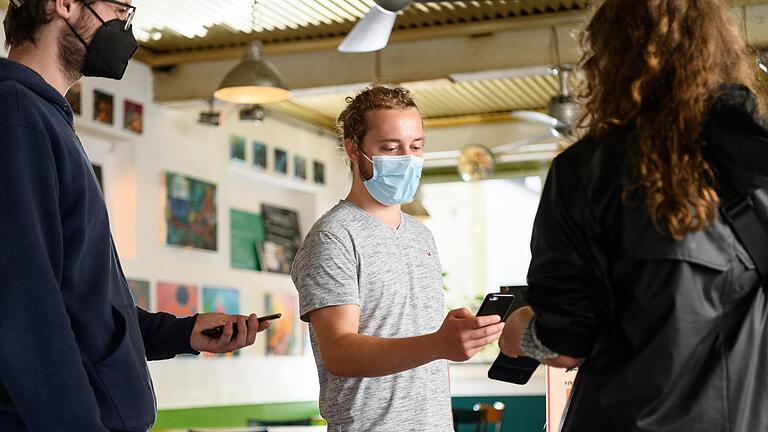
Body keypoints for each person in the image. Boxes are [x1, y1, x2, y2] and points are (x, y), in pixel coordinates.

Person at [499, 0, 768, 430]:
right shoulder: (758, 163)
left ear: (609, 58)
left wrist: (520, 328)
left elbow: (565, 341)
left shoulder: (585, 172)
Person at [0, 1, 269, 431]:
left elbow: (84, 304)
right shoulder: (16, 115)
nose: (126, 25)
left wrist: (180, 333)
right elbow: (26, 308)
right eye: (120, 8)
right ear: (65, 5)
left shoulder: (43, 117)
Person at [291, 85, 505, 431]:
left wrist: (449, 334)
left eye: (416, 147)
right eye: (391, 148)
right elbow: (340, 353)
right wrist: (438, 343)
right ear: (353, 149)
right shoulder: (333, 237)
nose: (407, 159)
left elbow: (416, 345)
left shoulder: (421, 235)